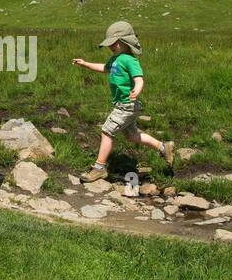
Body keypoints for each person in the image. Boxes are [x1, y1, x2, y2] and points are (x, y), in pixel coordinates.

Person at [73, 20, 175, 183]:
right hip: (124, 105)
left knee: (107, 131)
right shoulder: (114, 59)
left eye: (115, 43)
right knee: (132, 135)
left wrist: (137, 88)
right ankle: (163, 147)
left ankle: (99, 168)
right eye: (110, 44)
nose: (111, 47)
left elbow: (139, 78)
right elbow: (103, 68)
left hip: (127, 105)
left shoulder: (129, 60)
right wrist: (85, 64)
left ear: (125, 42)